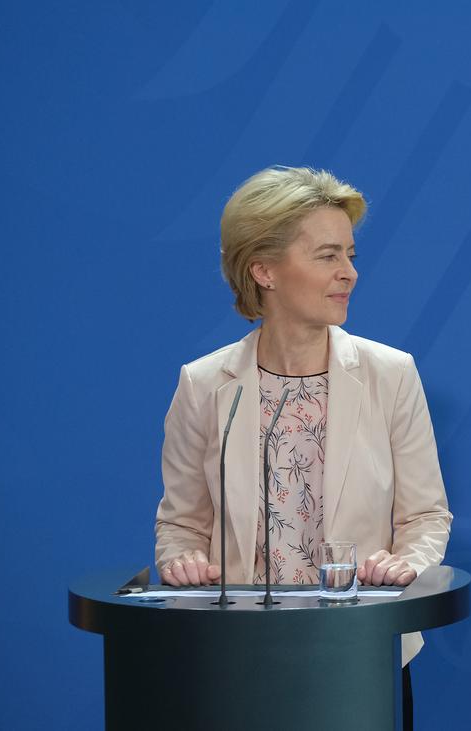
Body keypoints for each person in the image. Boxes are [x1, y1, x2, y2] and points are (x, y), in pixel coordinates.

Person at [155, 166, 451, 728]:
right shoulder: (205, 385)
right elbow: (181, 524)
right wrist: (182, 561)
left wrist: (406, 565)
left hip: (360, 651)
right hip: (238, 656)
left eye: (350, 255)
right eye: (327, 256)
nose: (349, 273)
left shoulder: (390, 374)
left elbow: (425, 516)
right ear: (263, 270)